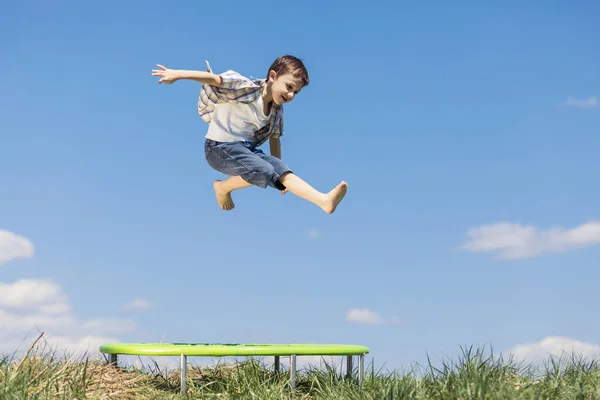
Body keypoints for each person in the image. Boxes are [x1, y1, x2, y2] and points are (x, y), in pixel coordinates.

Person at [151, 55, 347, 213]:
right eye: (289, 87)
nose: (290, 95)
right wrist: (176, 74)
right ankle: (223, 188)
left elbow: (275, 139)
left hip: (245, 150)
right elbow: (213, 79)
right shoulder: (246, 88)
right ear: (272, 76)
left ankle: (323, 200)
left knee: (277, 168)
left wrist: (279, 176)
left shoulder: (277, 111)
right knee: (265, 171)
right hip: (218, 148)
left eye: (296, 92)